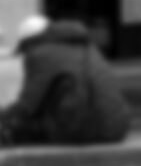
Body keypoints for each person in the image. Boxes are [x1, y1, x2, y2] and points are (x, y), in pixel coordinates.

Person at [0, 16, 130, 147]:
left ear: (29, 42)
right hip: (116, 128)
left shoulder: (39, 53)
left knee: (18, 129)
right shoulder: (88, 48)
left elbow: (28, 105)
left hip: (83, 129)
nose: (25, 55)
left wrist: (4, 117)